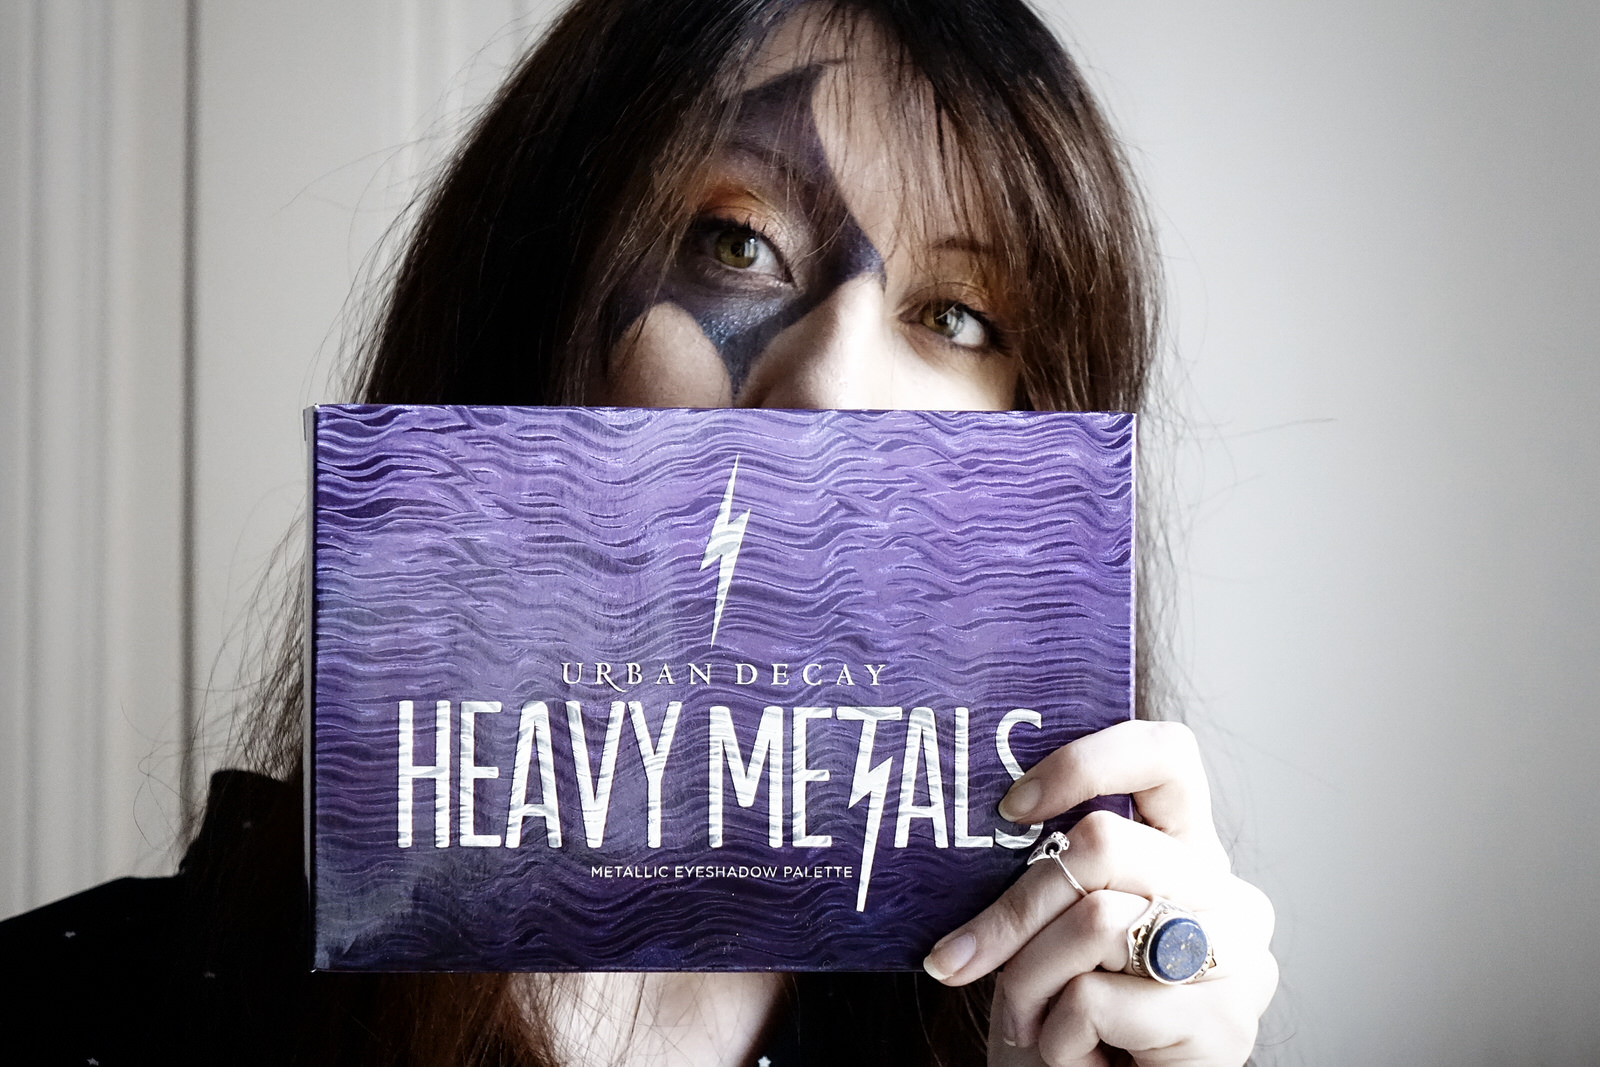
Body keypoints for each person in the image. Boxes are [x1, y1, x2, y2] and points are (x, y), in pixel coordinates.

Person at [0, 0, 1277, 1064]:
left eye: (955, 317)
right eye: (737, 241)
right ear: (534, 291)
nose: (830, 392)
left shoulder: (1013, 1023)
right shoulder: (88, 1005)